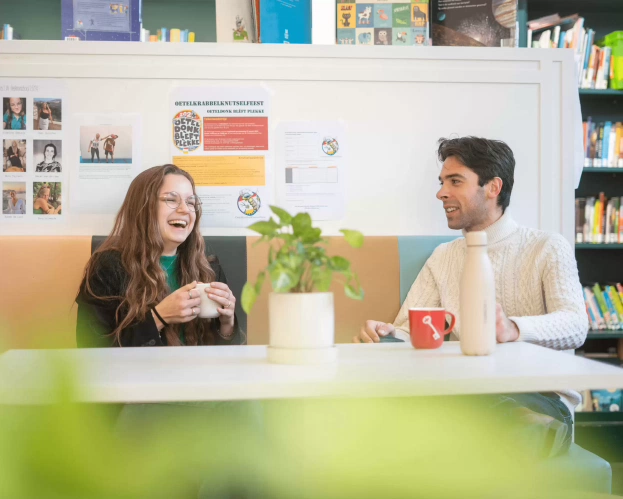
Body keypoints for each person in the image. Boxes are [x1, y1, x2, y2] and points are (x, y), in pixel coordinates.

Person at [355, 136, 588, 457]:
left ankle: (515, 429)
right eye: (441, 182)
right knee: (425, 397)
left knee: (450, 408)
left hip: (539, 398)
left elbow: (576, 325)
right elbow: (412, 331)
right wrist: (387, 333)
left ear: (493, 187)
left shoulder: (547, 247)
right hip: (466, 391)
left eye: (455, 181)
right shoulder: (443, 257)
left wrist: (513, 330)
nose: (441, 193)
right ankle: (502, 432)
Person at [75, 164, 245, 348]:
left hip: (198, 375)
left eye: (191, 202)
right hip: (137, 376)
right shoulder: (107, 267)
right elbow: (90, 349)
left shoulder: (209, 267)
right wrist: (158, 317)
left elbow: (226, 358)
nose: (185, 210)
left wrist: (227, 325)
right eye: (171, 200)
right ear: (143, 207)